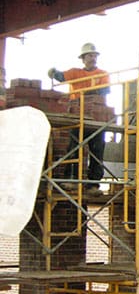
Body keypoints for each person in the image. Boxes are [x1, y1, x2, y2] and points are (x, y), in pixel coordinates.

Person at [48, 43, 110, 196]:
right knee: (73, 149)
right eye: (90, 55)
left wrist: (87, 93)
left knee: (97, 151)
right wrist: (53, 72)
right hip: (77, 115)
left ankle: (93, 184)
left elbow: (104, 91)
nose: (93, 58)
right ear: (83, 58)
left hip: (95, 118)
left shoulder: (103, 74)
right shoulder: (75, 72)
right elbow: (60, 76)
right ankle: (72, 180)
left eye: (94, 55)